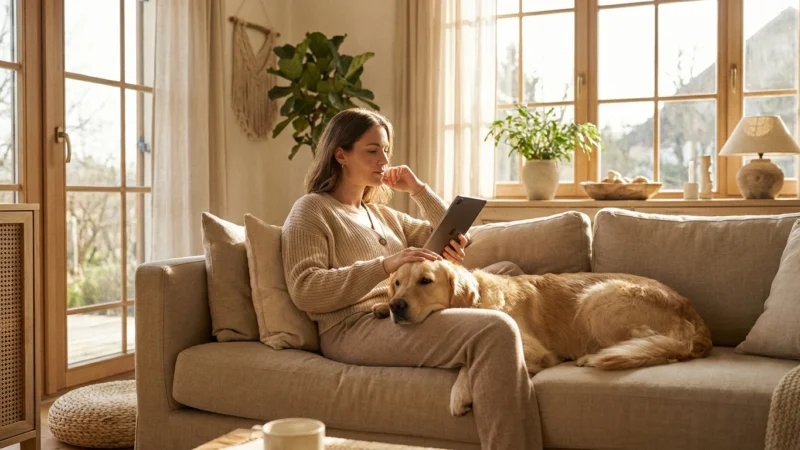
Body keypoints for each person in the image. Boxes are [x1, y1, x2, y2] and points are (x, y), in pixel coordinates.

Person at [281, 108, 541, 449]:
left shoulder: (381, 212)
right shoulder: (311, 210)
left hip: (401, 312)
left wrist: (418, 190)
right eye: (372, 150)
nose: (383, 160)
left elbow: (451, 232)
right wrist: (384, 265)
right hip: (352, 327)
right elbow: (306, 289)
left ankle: (527, 351)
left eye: (386, 150)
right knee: (495, 329)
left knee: (506, 272)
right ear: (340, 154)